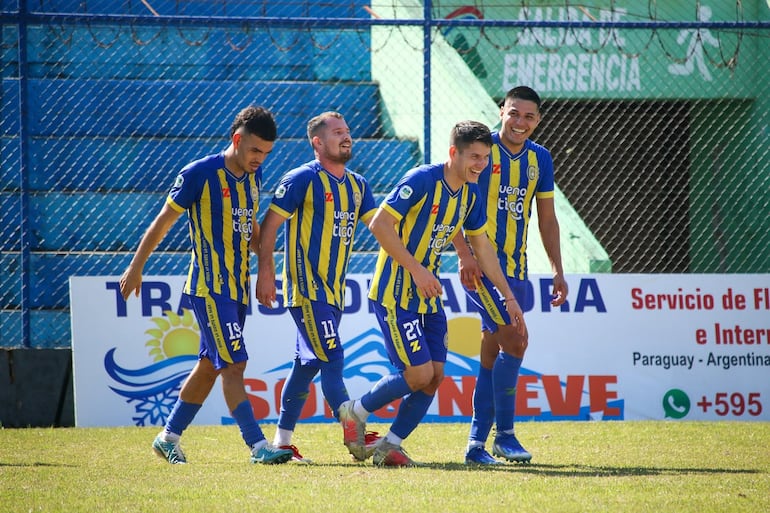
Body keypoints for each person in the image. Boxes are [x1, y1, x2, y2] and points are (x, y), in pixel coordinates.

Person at [338, 120, 526, 467]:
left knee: (436, 375)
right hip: (395, 294)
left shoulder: (470, 193)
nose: (480, 165)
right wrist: (417, 269)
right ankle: (355, 411)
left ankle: (389, 445)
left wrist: (509, 296)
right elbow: (380, 224)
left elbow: (482, 249)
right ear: (454, 152)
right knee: (419, 374)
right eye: (474, 156)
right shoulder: (421, 179)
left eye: (485, 158)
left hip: (428, 297)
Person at [119, 106, 293, 465]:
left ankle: (168, 437)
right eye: (255, 150)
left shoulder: (252, 177)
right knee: (234, 365)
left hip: (236, 287)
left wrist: (265, 264)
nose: (260, 159)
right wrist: (136, 268)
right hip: (209, 288)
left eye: (266, 153)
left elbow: (249, 228)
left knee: (210, 366)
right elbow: (163, 222)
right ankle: (258, 446)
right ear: (237, 140)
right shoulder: (199, 173)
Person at [256, 111, 380, 463]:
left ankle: (281, 443)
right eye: (337, 132)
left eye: (348, 131)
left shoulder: (358, 185)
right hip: (306, 290)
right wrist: (266, 273)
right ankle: (353, 428)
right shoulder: (301, 179)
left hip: (334, 292)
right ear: (317, 142)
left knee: (307, 365)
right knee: (333, 356)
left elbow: (380, 228)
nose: (346, 137)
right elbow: (270, 227)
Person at [455, 86, 568, 465]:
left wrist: (558, 270)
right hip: (481, 268)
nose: (520, 122)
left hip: (515, 270)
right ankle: (504, 436)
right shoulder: (480, 149)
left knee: (494, 349)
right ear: (501, 110)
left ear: (538, 120)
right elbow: (452, 198)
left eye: (529, 116)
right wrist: (463, 253)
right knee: (517, 341)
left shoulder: (541, 159)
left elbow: (548, 218)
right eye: (514, 113)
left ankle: (475, 444)